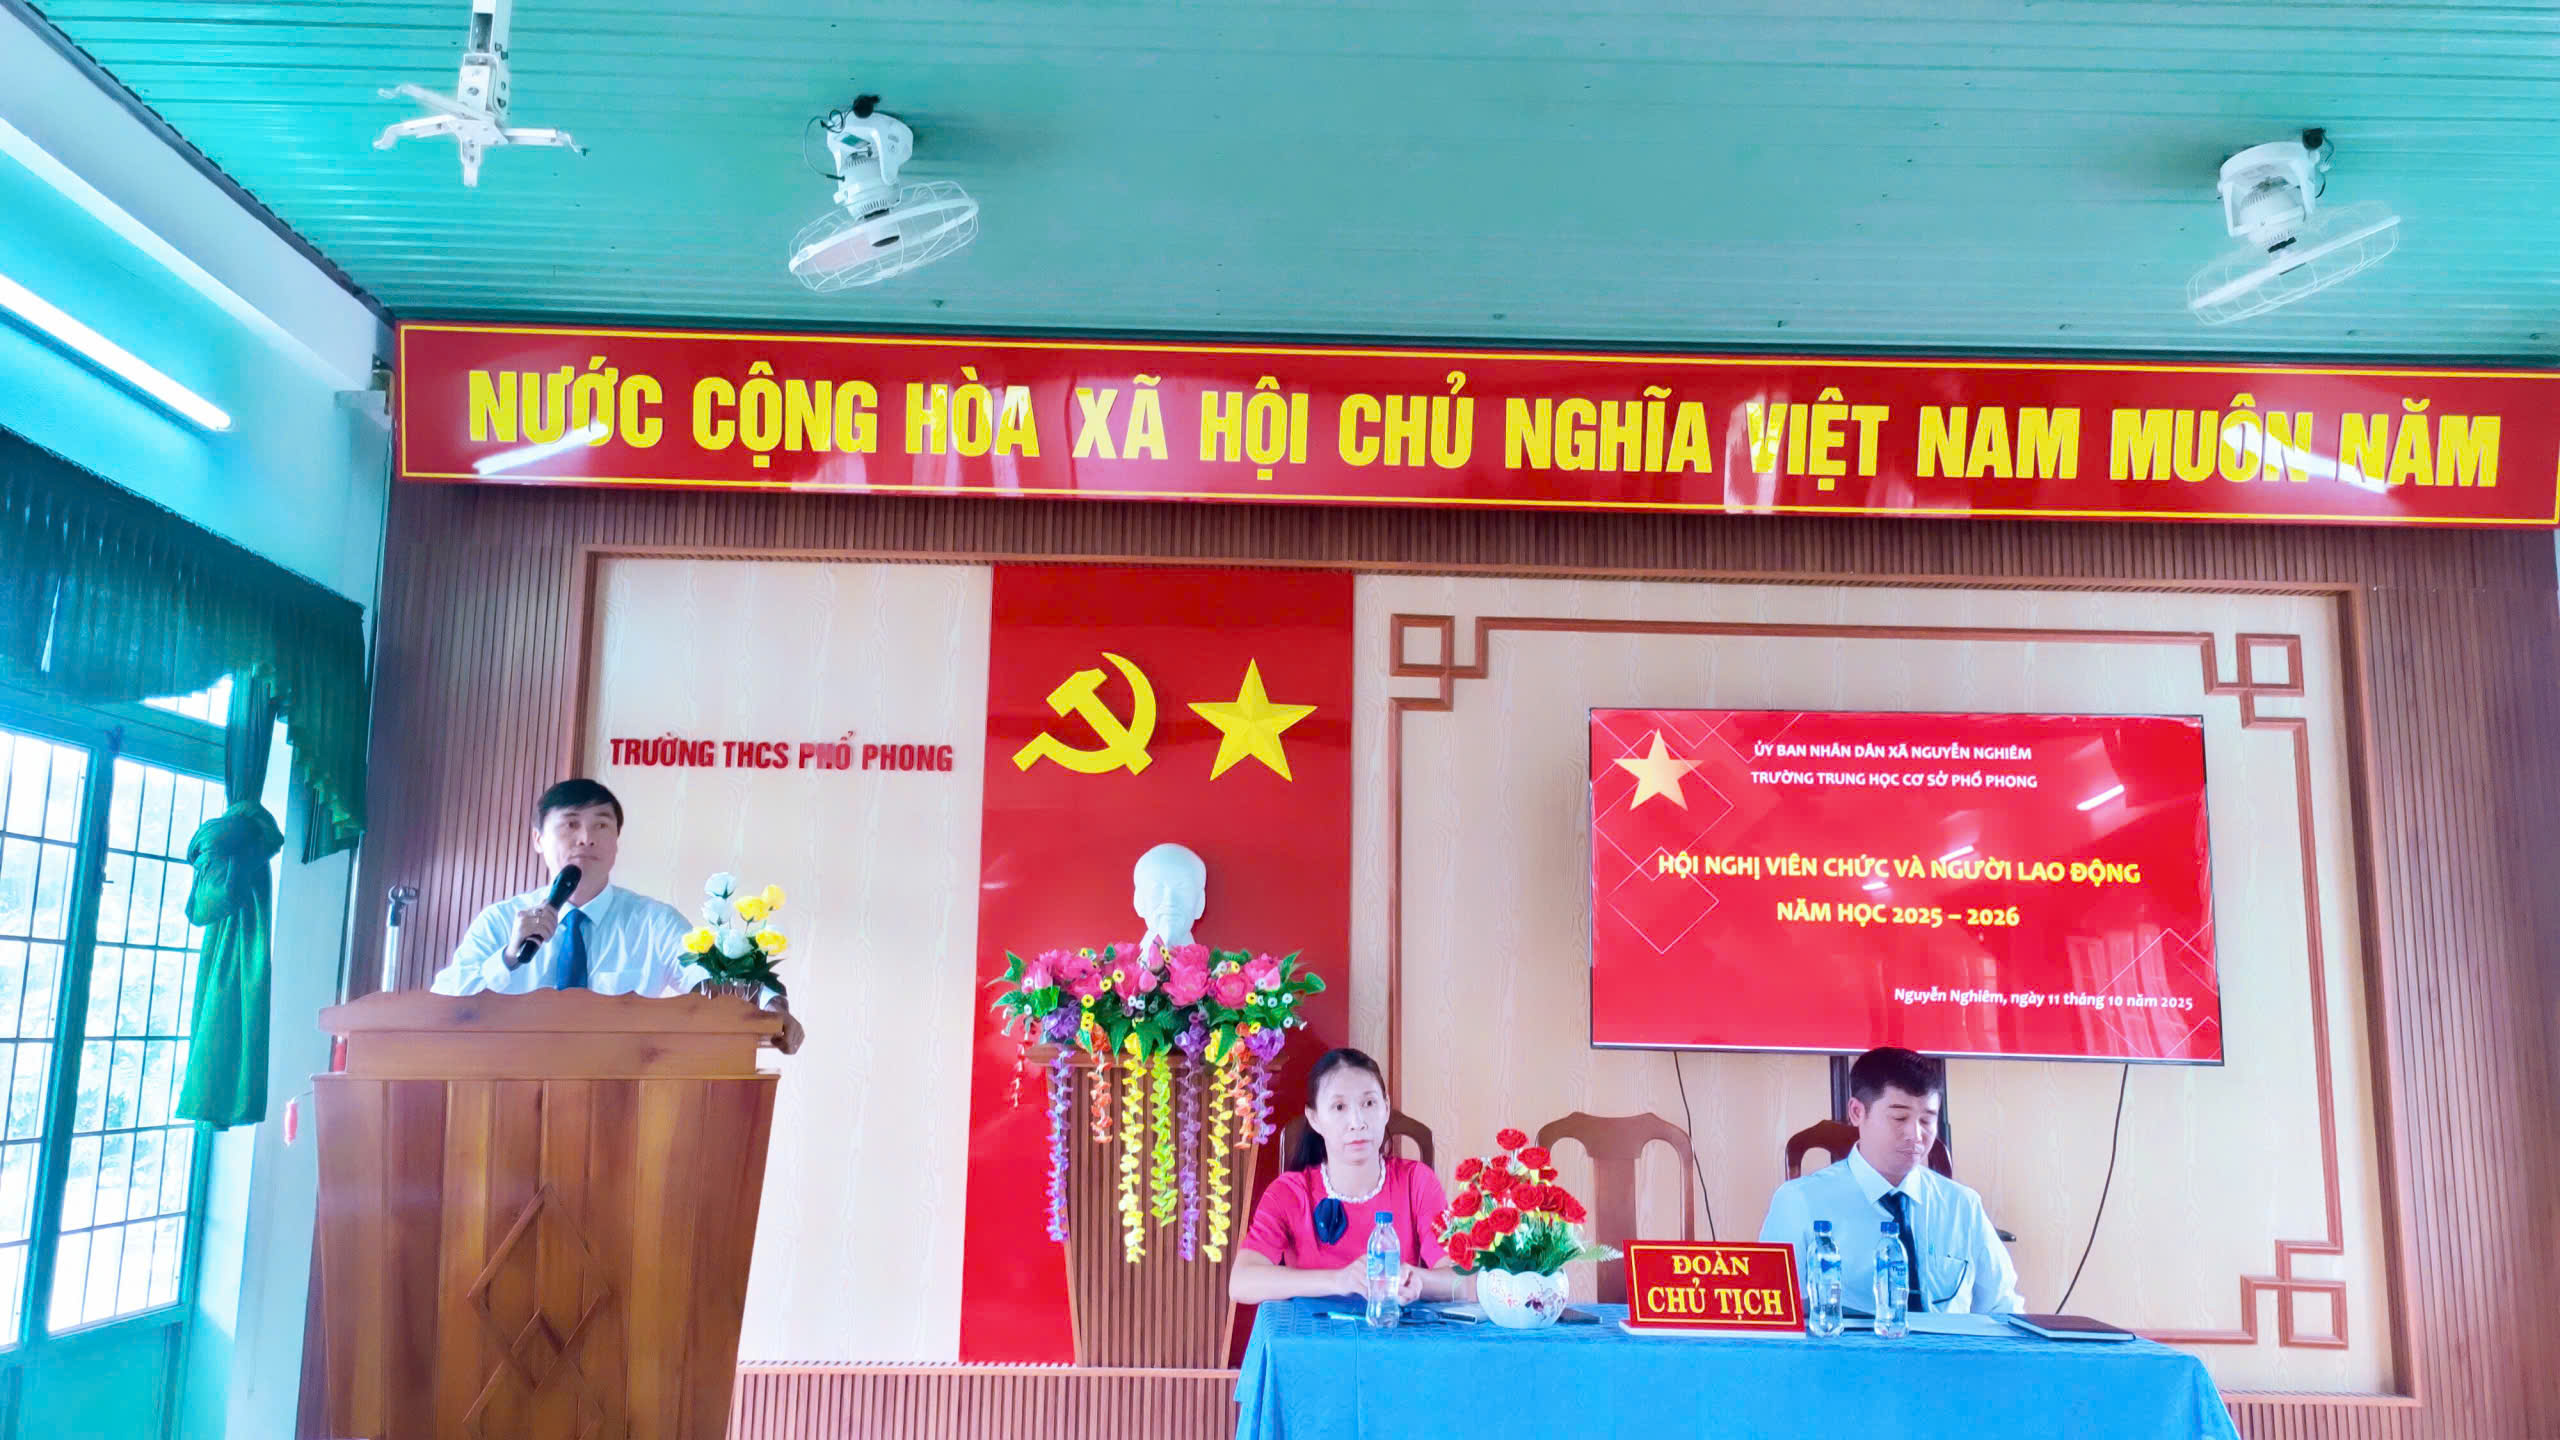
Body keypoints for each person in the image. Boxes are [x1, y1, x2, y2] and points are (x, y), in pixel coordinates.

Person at [427, 779, 802, 1050]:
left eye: (601, 825)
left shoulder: (654, 922)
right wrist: (509, 957)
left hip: (622, 1096)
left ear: (616, 842)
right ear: (538, 839)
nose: (586, 837)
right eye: (570, 824)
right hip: (510, 1090)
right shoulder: (500, 920)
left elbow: (709, 979)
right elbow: (442, 1001)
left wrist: (773, 1007)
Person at [1759, 1046, 2021, 1314]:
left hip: (1949, 1342)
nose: (1915, 1135)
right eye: (1899, 1118)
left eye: (1927, 1120)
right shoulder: (1799, 1201)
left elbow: (2003, 1307)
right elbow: (1775, 1313)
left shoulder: (1962, 1205)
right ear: (1857, 1112)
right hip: (1845, 1342)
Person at [1229, 1048, 1473, 1304]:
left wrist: (1415, 1281)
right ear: (1314, 1118)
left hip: (1393, 1327)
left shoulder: (1417, 1182)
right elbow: (1242, 1282)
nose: (1357, 1122)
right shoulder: (1289, 1192)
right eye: (1339, 1107)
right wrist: (1339, 1280)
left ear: (1386, 1107)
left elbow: (1464, 1282)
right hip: (1310, 1329)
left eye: (1369, 1104)